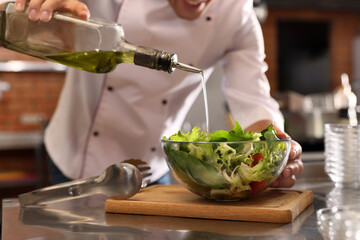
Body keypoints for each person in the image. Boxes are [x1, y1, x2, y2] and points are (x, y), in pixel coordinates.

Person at [8, 0, 303, 187]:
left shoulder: (238, 14)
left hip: (153, 168)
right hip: (75, 158)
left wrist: (272, 156)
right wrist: (46, 14)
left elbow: (253, 100)